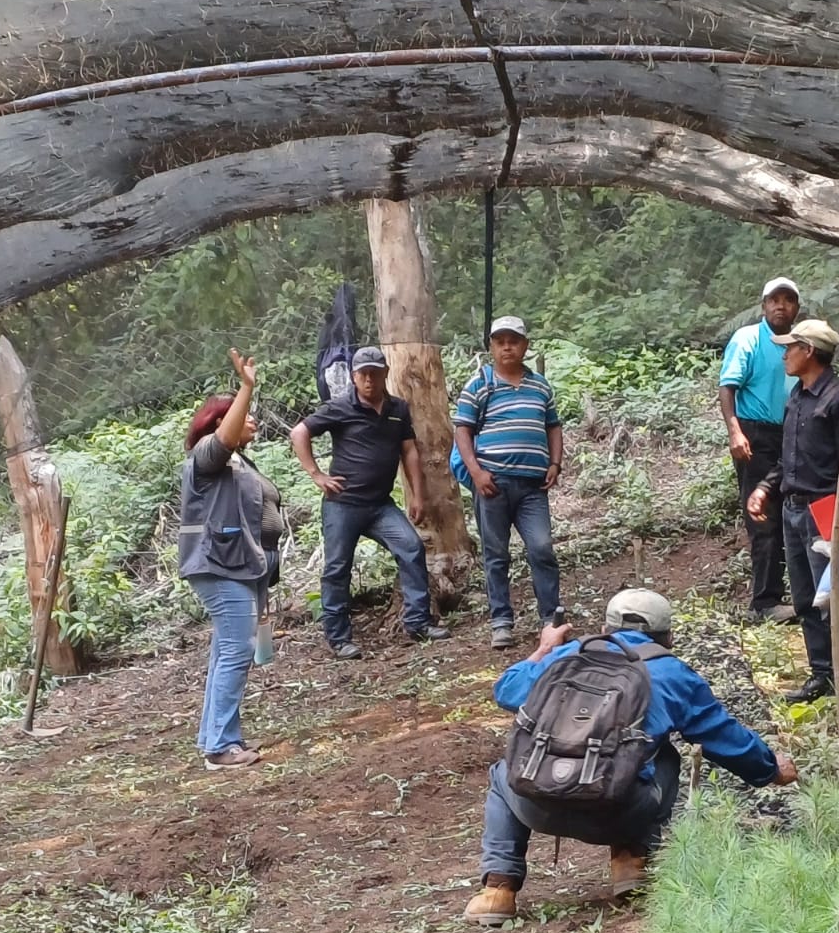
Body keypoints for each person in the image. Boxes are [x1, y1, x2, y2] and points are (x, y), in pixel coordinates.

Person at [463, 589, 797, 925]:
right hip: (617, 810)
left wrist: (545, 647)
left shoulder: (566, 655)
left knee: (503, 772)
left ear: (607, 629)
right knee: (663, 756)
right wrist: (770, 769)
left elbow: (506, 690)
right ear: (668, 637)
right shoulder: (672, 673)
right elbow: (721, 736)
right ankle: (631, 861)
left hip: (536, 802)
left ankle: (498, 889)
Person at [290, 345, 451, 659]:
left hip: (380, 505)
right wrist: (317, 475)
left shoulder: (397, 409)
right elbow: (300, 433)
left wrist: (417, 495)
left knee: (411, 547)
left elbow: (409, 452)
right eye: (363, 374)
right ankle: (338, 638)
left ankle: (417, 621)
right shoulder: (340, 408)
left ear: (385, 374)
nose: (369, 379)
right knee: (337, 568)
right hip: (343, 504)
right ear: (353, 376)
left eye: (375, 373)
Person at [746, 320, 839, 703]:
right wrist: (766, 487)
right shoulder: (797, 397)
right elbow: (789, 457)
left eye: (790, 348)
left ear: (809, 351)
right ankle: (822, 675)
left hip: (824, 510)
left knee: (832, 597)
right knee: (803, 596)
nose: (784, 355)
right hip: (793, 509)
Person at [178, 349, 285, 770]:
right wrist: (246, 386)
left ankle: (217, 738)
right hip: (219, 566)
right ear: (218, 424)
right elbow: (223, 439)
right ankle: (221, 747)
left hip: (241, 566)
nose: (252, 419)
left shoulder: (241, 461)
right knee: (238, 651)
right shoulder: (208, 455)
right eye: (243, 414)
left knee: (228, 652)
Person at [454, 315, 564, 650]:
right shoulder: (479, 385)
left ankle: (552, 619)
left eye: (513, 341)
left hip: (533, 486)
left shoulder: (540, 386)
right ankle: (501, 622)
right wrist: (476, 471)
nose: (507, 347)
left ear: (525, 346)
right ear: (491, 347)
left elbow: (553, 426)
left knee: (542, 548)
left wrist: (556, 463)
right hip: (493, 484)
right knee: (496, 554)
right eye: (500, 341)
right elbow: (462, 430)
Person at [719, 276, 802, 624]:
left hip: (793, 432)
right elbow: (728, 386)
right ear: (764, 305)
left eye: (788, 300)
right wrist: (735, 431)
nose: (781, 306)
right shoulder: (748, 338)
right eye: (774, 300)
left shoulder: (800, 342)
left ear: (796, 306)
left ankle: (796, 593)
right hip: (756, 434)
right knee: (763, 513)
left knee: (793, 513)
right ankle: (764, 602)